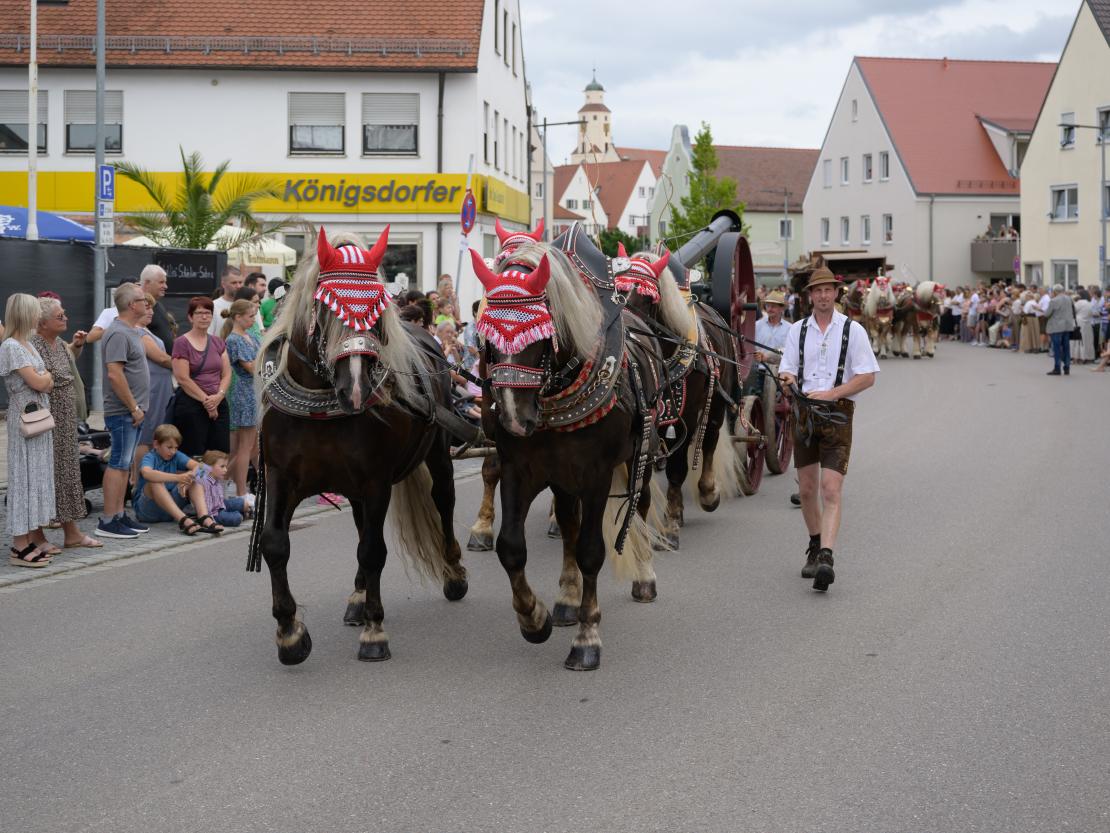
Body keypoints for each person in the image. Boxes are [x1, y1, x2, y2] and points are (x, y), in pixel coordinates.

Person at [778, 267, 879, 592]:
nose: (823, 295)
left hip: (837, 414)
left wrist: (833, 393)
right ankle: (814, 542)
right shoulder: (797, 330)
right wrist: (788, 381)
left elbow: (868, 376)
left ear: (836, 293)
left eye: (828, 290)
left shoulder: (853, 330)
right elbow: (787, 370)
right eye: (817, 290)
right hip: (805, 413)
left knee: (831, 490)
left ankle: (826, 556)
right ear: (810, 295)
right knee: (807, 490)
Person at [30, 296, 101, 550]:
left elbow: (66, 366)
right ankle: (36, 536)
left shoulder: (59, 343)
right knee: (44, 476)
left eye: (64, 314)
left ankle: (72, 533)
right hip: (45, 421)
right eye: (60, 316)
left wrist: (77, 347)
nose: (66, 318)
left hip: (64, 422)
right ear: (42, 322)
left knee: (68, 475)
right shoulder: (32, 345)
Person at [1, 294, 58, 567]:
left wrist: (45, 380)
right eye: (35, 312)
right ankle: (19, 544)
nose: (38, 317)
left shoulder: (28, 344)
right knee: (23, 478)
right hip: (26, 417)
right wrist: (45, 379)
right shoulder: (12, 346)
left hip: (37, 415)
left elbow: (47, 379)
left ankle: (28, 538)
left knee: (35, 476)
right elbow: (40, 380)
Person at [99, 281, 152, 539]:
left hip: (133, 411)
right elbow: (115, 374)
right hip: (124, 411)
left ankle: (119, 515)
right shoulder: (118, 333)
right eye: (143, 300)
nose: (147, 303)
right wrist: (133, 407)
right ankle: (109, 519)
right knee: (119, 463)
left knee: (125, 463)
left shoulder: (130, 331)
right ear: (132, 305)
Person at [171, 296, 232, 457]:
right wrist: (207, 402)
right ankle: (196, 483)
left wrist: (219, 396)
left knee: (219, 454)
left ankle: (212, 483)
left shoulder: (218, 342)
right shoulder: (182, 343)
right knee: (195, 453)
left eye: (208, 313)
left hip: (218, 402)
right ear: (190, 317)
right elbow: (183, 378)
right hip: (192, 404)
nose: (204, 317)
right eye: (199, 313)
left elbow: (226, 374)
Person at [133, 424, 221, 534]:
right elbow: (147, 473)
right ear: (156, 444)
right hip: (147, 511)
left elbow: (204, 468)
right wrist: (178, 478)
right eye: (169, 447)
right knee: (155, 481)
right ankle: (184, 521)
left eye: (176, 448)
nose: (173, 451)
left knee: (196, 478)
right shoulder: (150, 457)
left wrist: (188, 478)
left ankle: (204, 517)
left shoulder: (176, 455)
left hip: (172, 510)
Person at [132, 292, 175, 487]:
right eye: (147, 307)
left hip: (160, 386)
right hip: (152, 388)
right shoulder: (138, 332)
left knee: (153, 434)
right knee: (146, 437)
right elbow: (161, 358)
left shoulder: (146, 331)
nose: (151, 312)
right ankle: (139, 481)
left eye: (151, 308)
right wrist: (188, 366)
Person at [221, 298, 260, 504]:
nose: (254, 320)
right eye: (250, 316)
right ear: (238, 317)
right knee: (245, 446)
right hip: (245, 392)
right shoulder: (234, 340)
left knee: (253, 445)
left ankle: (223, 480)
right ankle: (239, 490)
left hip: (254, 391)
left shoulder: (249, 336)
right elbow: (251, 367)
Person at [87, 265, 175, 347]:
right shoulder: (117, 311)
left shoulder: (158, 305)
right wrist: (118, 327)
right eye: (161, 282)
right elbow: (91, 337)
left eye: (138, 285)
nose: (138, 289)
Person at [194, 450, 250, 528]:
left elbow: (221, 500)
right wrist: (211, 521)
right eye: (222, 466)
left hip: (221, 504)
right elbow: (209, 510)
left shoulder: (217, 479)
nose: (225, 470)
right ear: (209, 467)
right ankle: (243, 514)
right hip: (215, 513)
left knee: (243, 503)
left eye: (225, 466)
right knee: (237, 518)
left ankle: (245, 512)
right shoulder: (203, 480)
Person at [1044, 284, 1075, 376]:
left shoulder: (1053, 300)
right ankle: (1067, 367)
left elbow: (1047, 314)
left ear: (1055, 291)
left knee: (1057, 347)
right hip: (1067, 325)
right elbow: (1074, 311)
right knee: (1066, 347)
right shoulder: (1069, 298)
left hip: (1056, 326)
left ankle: (1057, 368)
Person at [210, 264, 243, 335]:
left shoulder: (249, 304)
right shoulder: (213, 306)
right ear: (223, 284)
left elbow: (259, 331)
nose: (238, 286)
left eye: (240, 282)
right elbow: (209, 335)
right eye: (234, 283)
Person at [1074, 288, 1094, 364]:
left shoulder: (1079, 302)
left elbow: (1073, 310)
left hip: (1079, 322)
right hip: (1088, 323)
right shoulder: (1089, 303)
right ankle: (1089, 357)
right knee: (1088, 340)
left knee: (1079, 341)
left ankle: (1079, 357)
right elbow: (1091, 313)